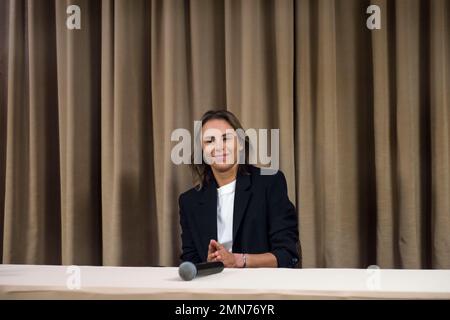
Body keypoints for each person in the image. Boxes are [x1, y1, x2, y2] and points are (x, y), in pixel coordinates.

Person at [178, 110, 300, 268]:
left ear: (241, 143)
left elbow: (288, 255)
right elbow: (190, 262)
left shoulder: (270, 183)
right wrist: (207, 264)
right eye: (209, 141)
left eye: (226, 138)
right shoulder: (189, 201)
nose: (219, 147)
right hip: (212, 289)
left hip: (261, 287)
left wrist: (239, 260)